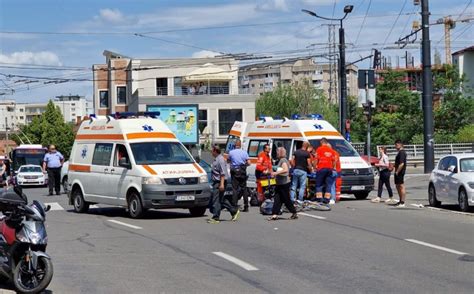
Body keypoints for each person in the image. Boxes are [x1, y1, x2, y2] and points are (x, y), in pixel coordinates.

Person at [208, 146, 240, 223]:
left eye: (212, 151)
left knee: (216, 200)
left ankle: (216, 218)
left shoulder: (220, 160)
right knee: (221, 199)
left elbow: (222, 174)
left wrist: (221, 184)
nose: (211, 152)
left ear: (215, 151)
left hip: (220, 182)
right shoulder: (217, 159)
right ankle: (234, 211)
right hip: (217, 182)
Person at [268, 147, 298, 221]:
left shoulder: (283, 160)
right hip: (279, 183)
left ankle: (294, 212)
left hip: (284, 183)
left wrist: (275, 173)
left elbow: (286, 170)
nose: (276, 153)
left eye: (277, 152)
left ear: (280, 153)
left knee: (286, 199)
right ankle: (274, 214)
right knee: (277, 199)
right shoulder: (280, 160)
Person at [228, 140, 251, 212]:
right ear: (240, 145)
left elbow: (228, 161)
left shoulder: (231, 152)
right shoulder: (244, 152)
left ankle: (234, 205)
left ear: (235, 145)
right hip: (242, 171)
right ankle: (246, 206)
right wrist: (244, 165)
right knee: (244, 189)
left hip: (234, 172)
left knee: (234, 189)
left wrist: (232, 162)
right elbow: (249, 163)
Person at [314, 138, 337, 205]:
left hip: (321, 168)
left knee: (319, 184)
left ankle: (319, 199)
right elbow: (334, 161)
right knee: (328, 184)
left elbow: (316, 159)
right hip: (329, 169)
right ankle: (327, 199)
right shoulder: (331, 151)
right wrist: (332, 167)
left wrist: (315, 167)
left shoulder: (319, 149)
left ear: (321, 142)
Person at [393, 140, 407, 207]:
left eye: (396, 145)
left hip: (400, 172)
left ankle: (402, 202)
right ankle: (400, 200)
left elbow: (402, 164)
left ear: (400, 144)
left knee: (401, 186)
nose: (395, 146)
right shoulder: (399, 152)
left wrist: (397, 171)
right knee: (397, 186)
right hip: (397, 171)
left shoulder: (402, 152)